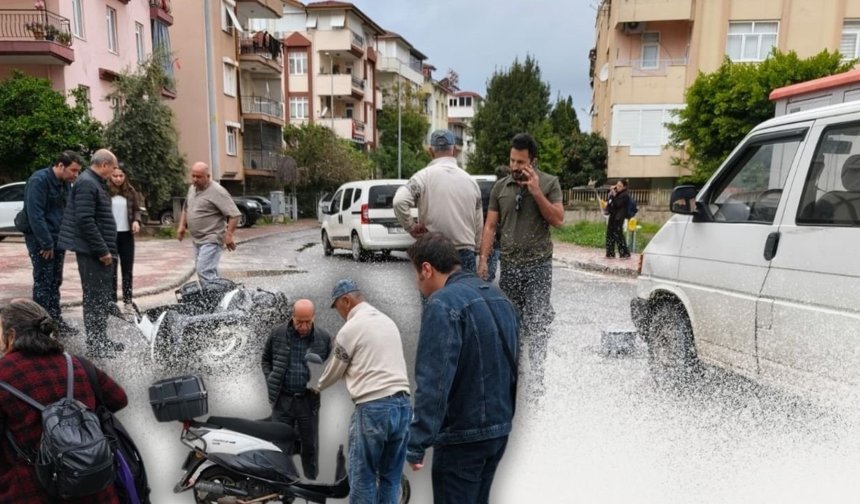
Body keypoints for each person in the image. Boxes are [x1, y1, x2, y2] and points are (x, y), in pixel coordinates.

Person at [406, 233, 519, 504]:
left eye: (416, 274)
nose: (417, 282)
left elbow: (434, 380)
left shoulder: (442, 304)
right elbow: (513, 365)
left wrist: (417, 442)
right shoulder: (499, 298)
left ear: (426, 269)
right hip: (498, 430)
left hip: (462, 437)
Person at [0, 299, 128, 503]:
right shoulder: (75, 363)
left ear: (12, 335)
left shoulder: (3, 375)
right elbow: (119, 399)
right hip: (94, 490)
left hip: (30, 492)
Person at [477, 132, 564, 395]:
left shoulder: (549, 183)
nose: (514, 167)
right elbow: (490, 226)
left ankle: (537, 378)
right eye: (512, 161)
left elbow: (558, 219)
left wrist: (536, 192)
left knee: (537, 323)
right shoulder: (501, 188)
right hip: (510, 265)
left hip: (538, 266)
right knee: (509, 323)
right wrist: (483, 258)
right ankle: (511, 376)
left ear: (533, 161)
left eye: (521, 162)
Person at [317, 279, 411, 504]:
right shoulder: (386, 321)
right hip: (404, 407)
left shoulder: (351, 328)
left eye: (338, 307)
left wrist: (316, 387)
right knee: (390, 477)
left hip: (374, 409)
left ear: (346, 300)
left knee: (363, 476)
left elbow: (334, 370)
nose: (339, 313)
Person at [58, 149, 125, 358]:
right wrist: (102, 250)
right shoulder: (87, 183)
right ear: (104, 164)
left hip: (98, 251)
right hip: (92, 252)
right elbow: (85, 220)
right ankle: (96, 344)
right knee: (94, 298)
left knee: (101, 297)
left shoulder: (94, 182)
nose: (114, 172)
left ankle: (101, 339)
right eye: (113, 167)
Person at [393, 129, 483, 272]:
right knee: (464, 294)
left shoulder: (423, 177)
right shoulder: (471, 182)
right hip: (465, 252)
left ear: (431, 151)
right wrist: (478, 253)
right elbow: (479, 224)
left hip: (434, 251)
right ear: (454, 150)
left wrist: (411, 227)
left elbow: (399, 201)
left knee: (435, 295)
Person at [261, 298, 331, 480]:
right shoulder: (278, 333)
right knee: (280, 445)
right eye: (299, 321)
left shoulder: (323, 337)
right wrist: (270, 379)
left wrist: (319, 383)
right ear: (292, 317)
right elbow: (266, 359)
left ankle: (311, 482)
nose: (304, 326)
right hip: (282, 399)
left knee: (309, 446)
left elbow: (329, 366)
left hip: (307, 402)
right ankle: (281, 484)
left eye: (308, 321)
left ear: (313, 317)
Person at [21, 151, 83, 336]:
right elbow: (35, 215)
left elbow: (66, 212)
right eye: (73, 170)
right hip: (41, 240)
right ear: (60, 166)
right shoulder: (39, 181)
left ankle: (56, 321)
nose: (76, 175)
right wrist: (46, 244)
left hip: (58, 239)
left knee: (55, 281)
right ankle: (39, 327)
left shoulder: (65, 185)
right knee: (43, 282)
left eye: (78, 171)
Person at [176, 162, 241, 287]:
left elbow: (234, 214)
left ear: (208, 176)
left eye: (199, 177)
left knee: (204, 270)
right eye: (193, 176)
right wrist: (182, 226)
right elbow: (186, 207)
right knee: (208, 272)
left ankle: (212, 300)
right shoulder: (192, 189)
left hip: (212, 238)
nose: (195, 179)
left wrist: (229, 235)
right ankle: (222, 297)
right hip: (197, 239)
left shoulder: (217, 191)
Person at [108, 165, 142, 310]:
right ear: (110, 176)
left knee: (127, 269)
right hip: (110, 235)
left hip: (126, 234)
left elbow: (136, 210)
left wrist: (136, 221)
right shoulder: (105, 191)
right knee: (111, 269)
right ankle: (112, 301)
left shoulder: (130, 191)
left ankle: (128, 300)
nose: (118, 179)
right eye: (115, 176)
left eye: (121, 176)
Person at [484, 165, 510, 282]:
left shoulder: (491, 190)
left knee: (491, 270)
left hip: (496, 236)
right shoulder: (504, 191)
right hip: (502, 236)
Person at [605, 179, 631, 259]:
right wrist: (610, 192)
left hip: (619, 217)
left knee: (618, 235)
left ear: (624, 187)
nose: (617, 187)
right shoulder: (616, 193)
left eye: (620, 186)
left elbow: (618, 204)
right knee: (610, 234)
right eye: (617, 185)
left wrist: (614, 194)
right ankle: (610, 253)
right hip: (612, 216)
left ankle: (624, 253)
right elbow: (609, 201)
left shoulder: (625, 195)